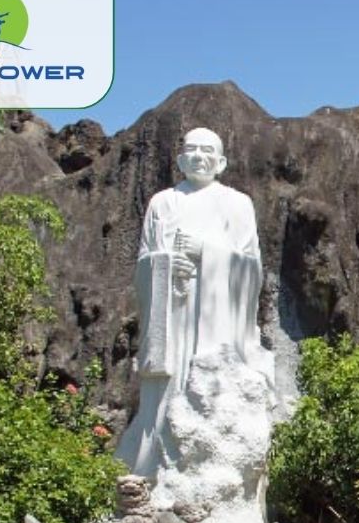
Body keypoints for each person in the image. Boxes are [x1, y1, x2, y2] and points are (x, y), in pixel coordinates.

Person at [116, 128, 270, 479]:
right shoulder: (162, 203)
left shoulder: (237, 203)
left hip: (216, 323)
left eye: (207, 150)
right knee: (164, 400)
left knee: (207, 387)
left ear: (221, 161)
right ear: (181, 158)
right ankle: (154, 468)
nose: (199, 156)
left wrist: (206, 253)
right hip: (172, 313)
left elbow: (251, 269)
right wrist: (167, 265)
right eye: (192, 150)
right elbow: (143, 262)